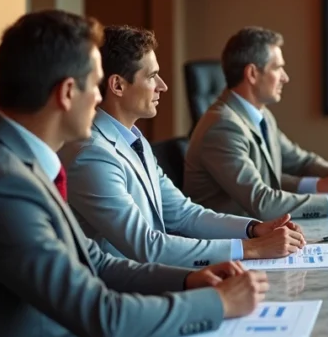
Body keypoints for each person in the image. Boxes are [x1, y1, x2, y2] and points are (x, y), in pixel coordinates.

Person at [0, 10, 268, 337]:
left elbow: (94, 261)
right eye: (94, 85)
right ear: (66, 93)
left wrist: (188, 279)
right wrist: (217, 304)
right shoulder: (5, 185)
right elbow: (102, 317)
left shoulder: (14, 158)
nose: (98, 99)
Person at [60, 25, 306, 268]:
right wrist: (250, 248)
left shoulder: (134, 140)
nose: (162, 86)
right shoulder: (92, 154)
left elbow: (184, 213)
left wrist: (253, 229)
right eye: (151, 76)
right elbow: (146, 246)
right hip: (121, 294)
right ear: (118, 86)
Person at [184, 26, 328, 220]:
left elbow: (300, 161)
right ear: (252, 74)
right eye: (277, 68)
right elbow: (263, 202)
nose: (285, 78)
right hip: (230, 244)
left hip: (260, 233)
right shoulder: (223, 127)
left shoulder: (261, 115)